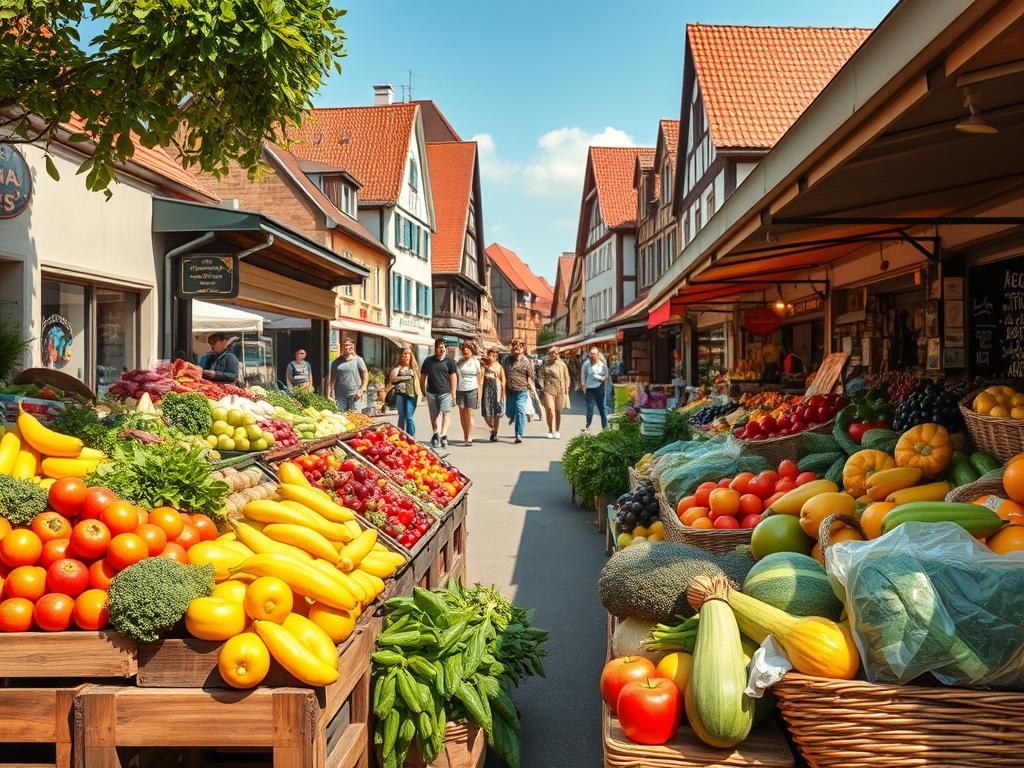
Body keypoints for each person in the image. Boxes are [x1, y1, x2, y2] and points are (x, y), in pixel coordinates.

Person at [420, 338, 458, 448]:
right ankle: (436, 433)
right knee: (434, 415)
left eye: (442, 347)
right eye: (438, 347)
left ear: (445, 348)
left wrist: (453, 392)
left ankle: (443, 434)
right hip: (431, 392)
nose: (440, 350)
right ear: (435, 348)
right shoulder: (428, 361)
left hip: (445, 392)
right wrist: (422, 390)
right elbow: (423, 376)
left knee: (446, 412)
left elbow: (453, 377)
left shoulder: (449, 361)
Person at [503, 339, 537, 444]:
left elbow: (531, 376)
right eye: (514, 346)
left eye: (518, 346)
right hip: (510, 391)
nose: (516, 348)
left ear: (523, 348)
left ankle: (519, 434)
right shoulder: (507, 360)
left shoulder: (527, 361)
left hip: (522, 391)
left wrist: (532, 390)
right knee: (509, 412)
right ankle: (512, 416)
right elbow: (503, 374)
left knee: (520, 410)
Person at [388, 347, 421, 437]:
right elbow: (392, 379)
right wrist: (403, 377)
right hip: (400, 394)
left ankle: (411, 437)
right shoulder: (398, 367)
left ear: (411, 356)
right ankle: (400, 436)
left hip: (411, 395)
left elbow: (419, 382)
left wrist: (421, 395)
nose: (406, 356)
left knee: (409, 417)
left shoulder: (414, 368)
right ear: (401, 356)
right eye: (404, 354)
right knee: (401, 416)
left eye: (408, 354)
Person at [328, 337, 367, 412]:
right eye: (345, 345)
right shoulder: (336, 362)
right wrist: (329, 395)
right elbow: (332, 380)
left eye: (350, 345)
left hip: (354, 394)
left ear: (353, 346)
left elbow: (365, 375)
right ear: (342, 347)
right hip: (340, 395)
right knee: (341, 417)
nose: (347, 347)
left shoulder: (358, 360)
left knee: (356, 417)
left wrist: (362, 389)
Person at [539, 347, 570, 439]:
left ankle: (557, 430)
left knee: (556, 410)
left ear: (558, 354)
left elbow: (567, 377)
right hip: (548, 389)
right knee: (550, 409)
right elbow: (541, 375)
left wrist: (566, 389)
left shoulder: (562, 365)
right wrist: (541, 385)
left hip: (560, 389)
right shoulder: (546, 365)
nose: (553, 355)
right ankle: (550, 429)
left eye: (555, 353)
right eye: (551, 353)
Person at [455, 342, 482, 446]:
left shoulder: (476, 362)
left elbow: (480, 379)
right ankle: (465, 434)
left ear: (471, 351)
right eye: (464, 350)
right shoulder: (459, 362)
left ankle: (470, 437)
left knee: (469, 412)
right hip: (460, 389)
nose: (466, 351)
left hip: (472, 389)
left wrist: (479, 394)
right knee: (462, 412)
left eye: (468, 350)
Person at [580, 346, 609, 431]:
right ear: (589, 354)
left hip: (600, 388)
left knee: (602, 408)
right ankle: (587, 425)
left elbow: (606, 374)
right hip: (590, 389)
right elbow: (583, 375)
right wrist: (583, 386)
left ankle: (605, 427)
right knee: (590, 408)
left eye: (595, 354)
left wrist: (603, 379)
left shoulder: (602, 363)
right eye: (592, 354)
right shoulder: (586, 364)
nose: (593, 355)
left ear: (598, 354)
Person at [479, 347, 505, 442]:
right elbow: (481, 379)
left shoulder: (499, 367)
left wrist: (502, 394)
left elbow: (503, 381)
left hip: (496, 390)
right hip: (486, 391)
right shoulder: (485, 366)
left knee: (496, 413)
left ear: (495, 357)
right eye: (488, 355)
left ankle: (495, 433)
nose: (489, 357)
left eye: (492, 355)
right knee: (486, 413)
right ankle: (492, 428)